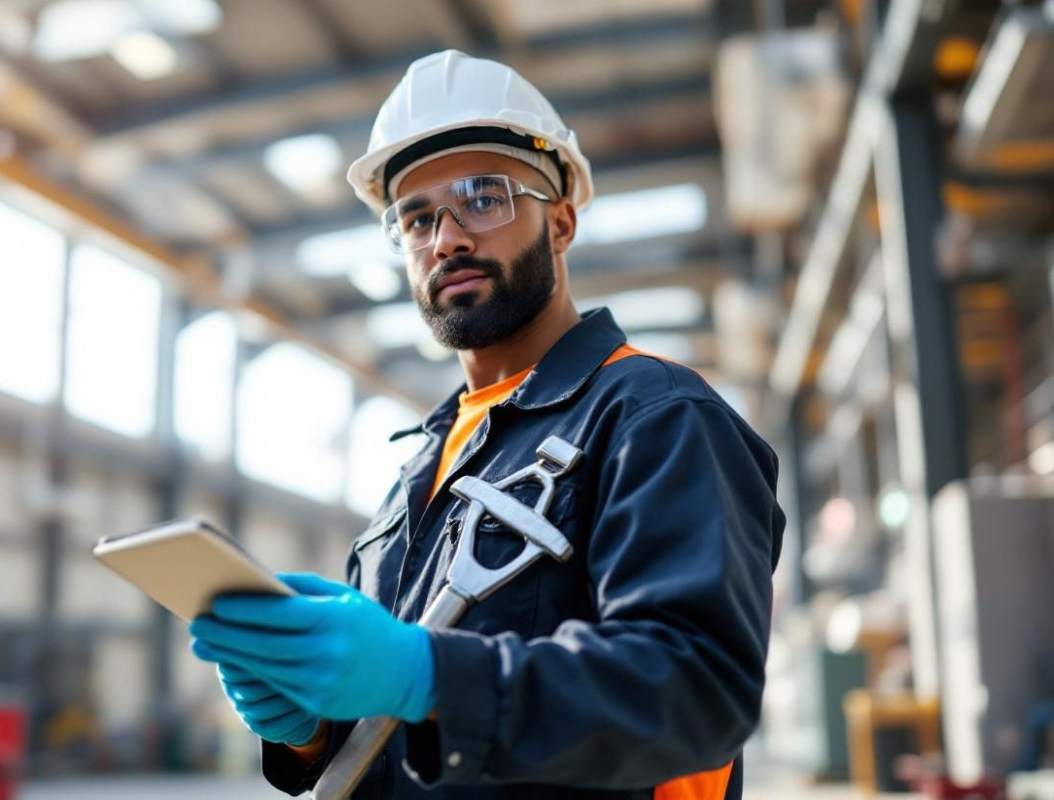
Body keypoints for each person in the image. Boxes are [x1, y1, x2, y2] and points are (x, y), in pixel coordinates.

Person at [188, 49, 786, 799]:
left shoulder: (655, 419)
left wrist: (431, 674)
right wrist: (310, 732)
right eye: (415, 217)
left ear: (561, 221)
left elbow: (696, 692)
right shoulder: (421, 470)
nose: (447, 239)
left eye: (483, 197)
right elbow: (405, 738)